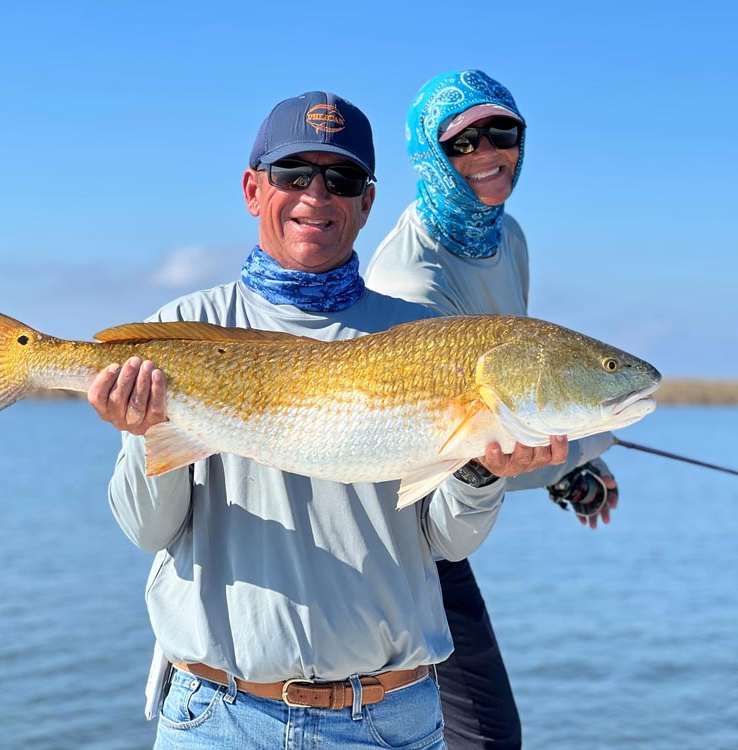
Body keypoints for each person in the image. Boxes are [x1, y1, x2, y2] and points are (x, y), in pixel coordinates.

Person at [87, 91, 571, 750]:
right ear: (253, 190)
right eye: (293, 174)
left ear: (366, 202)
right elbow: (147, 529)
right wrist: (145, 432)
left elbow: (448, 542)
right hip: (218, 719)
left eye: (341, 178)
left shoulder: (428, 338)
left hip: (389, 720)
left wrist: (482, 474)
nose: (316, 194)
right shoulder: (181, 333)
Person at [365, 69, 620, 750]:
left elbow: (514, 409)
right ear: (429, 152)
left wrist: (567, 466)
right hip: (399, 527)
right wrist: (581, 453)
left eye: (501, 132)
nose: (487, 152)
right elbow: (463, 440)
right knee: (481, 736)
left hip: (455, 506)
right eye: (463, 141)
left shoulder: (508, 237)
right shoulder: (410, 280)